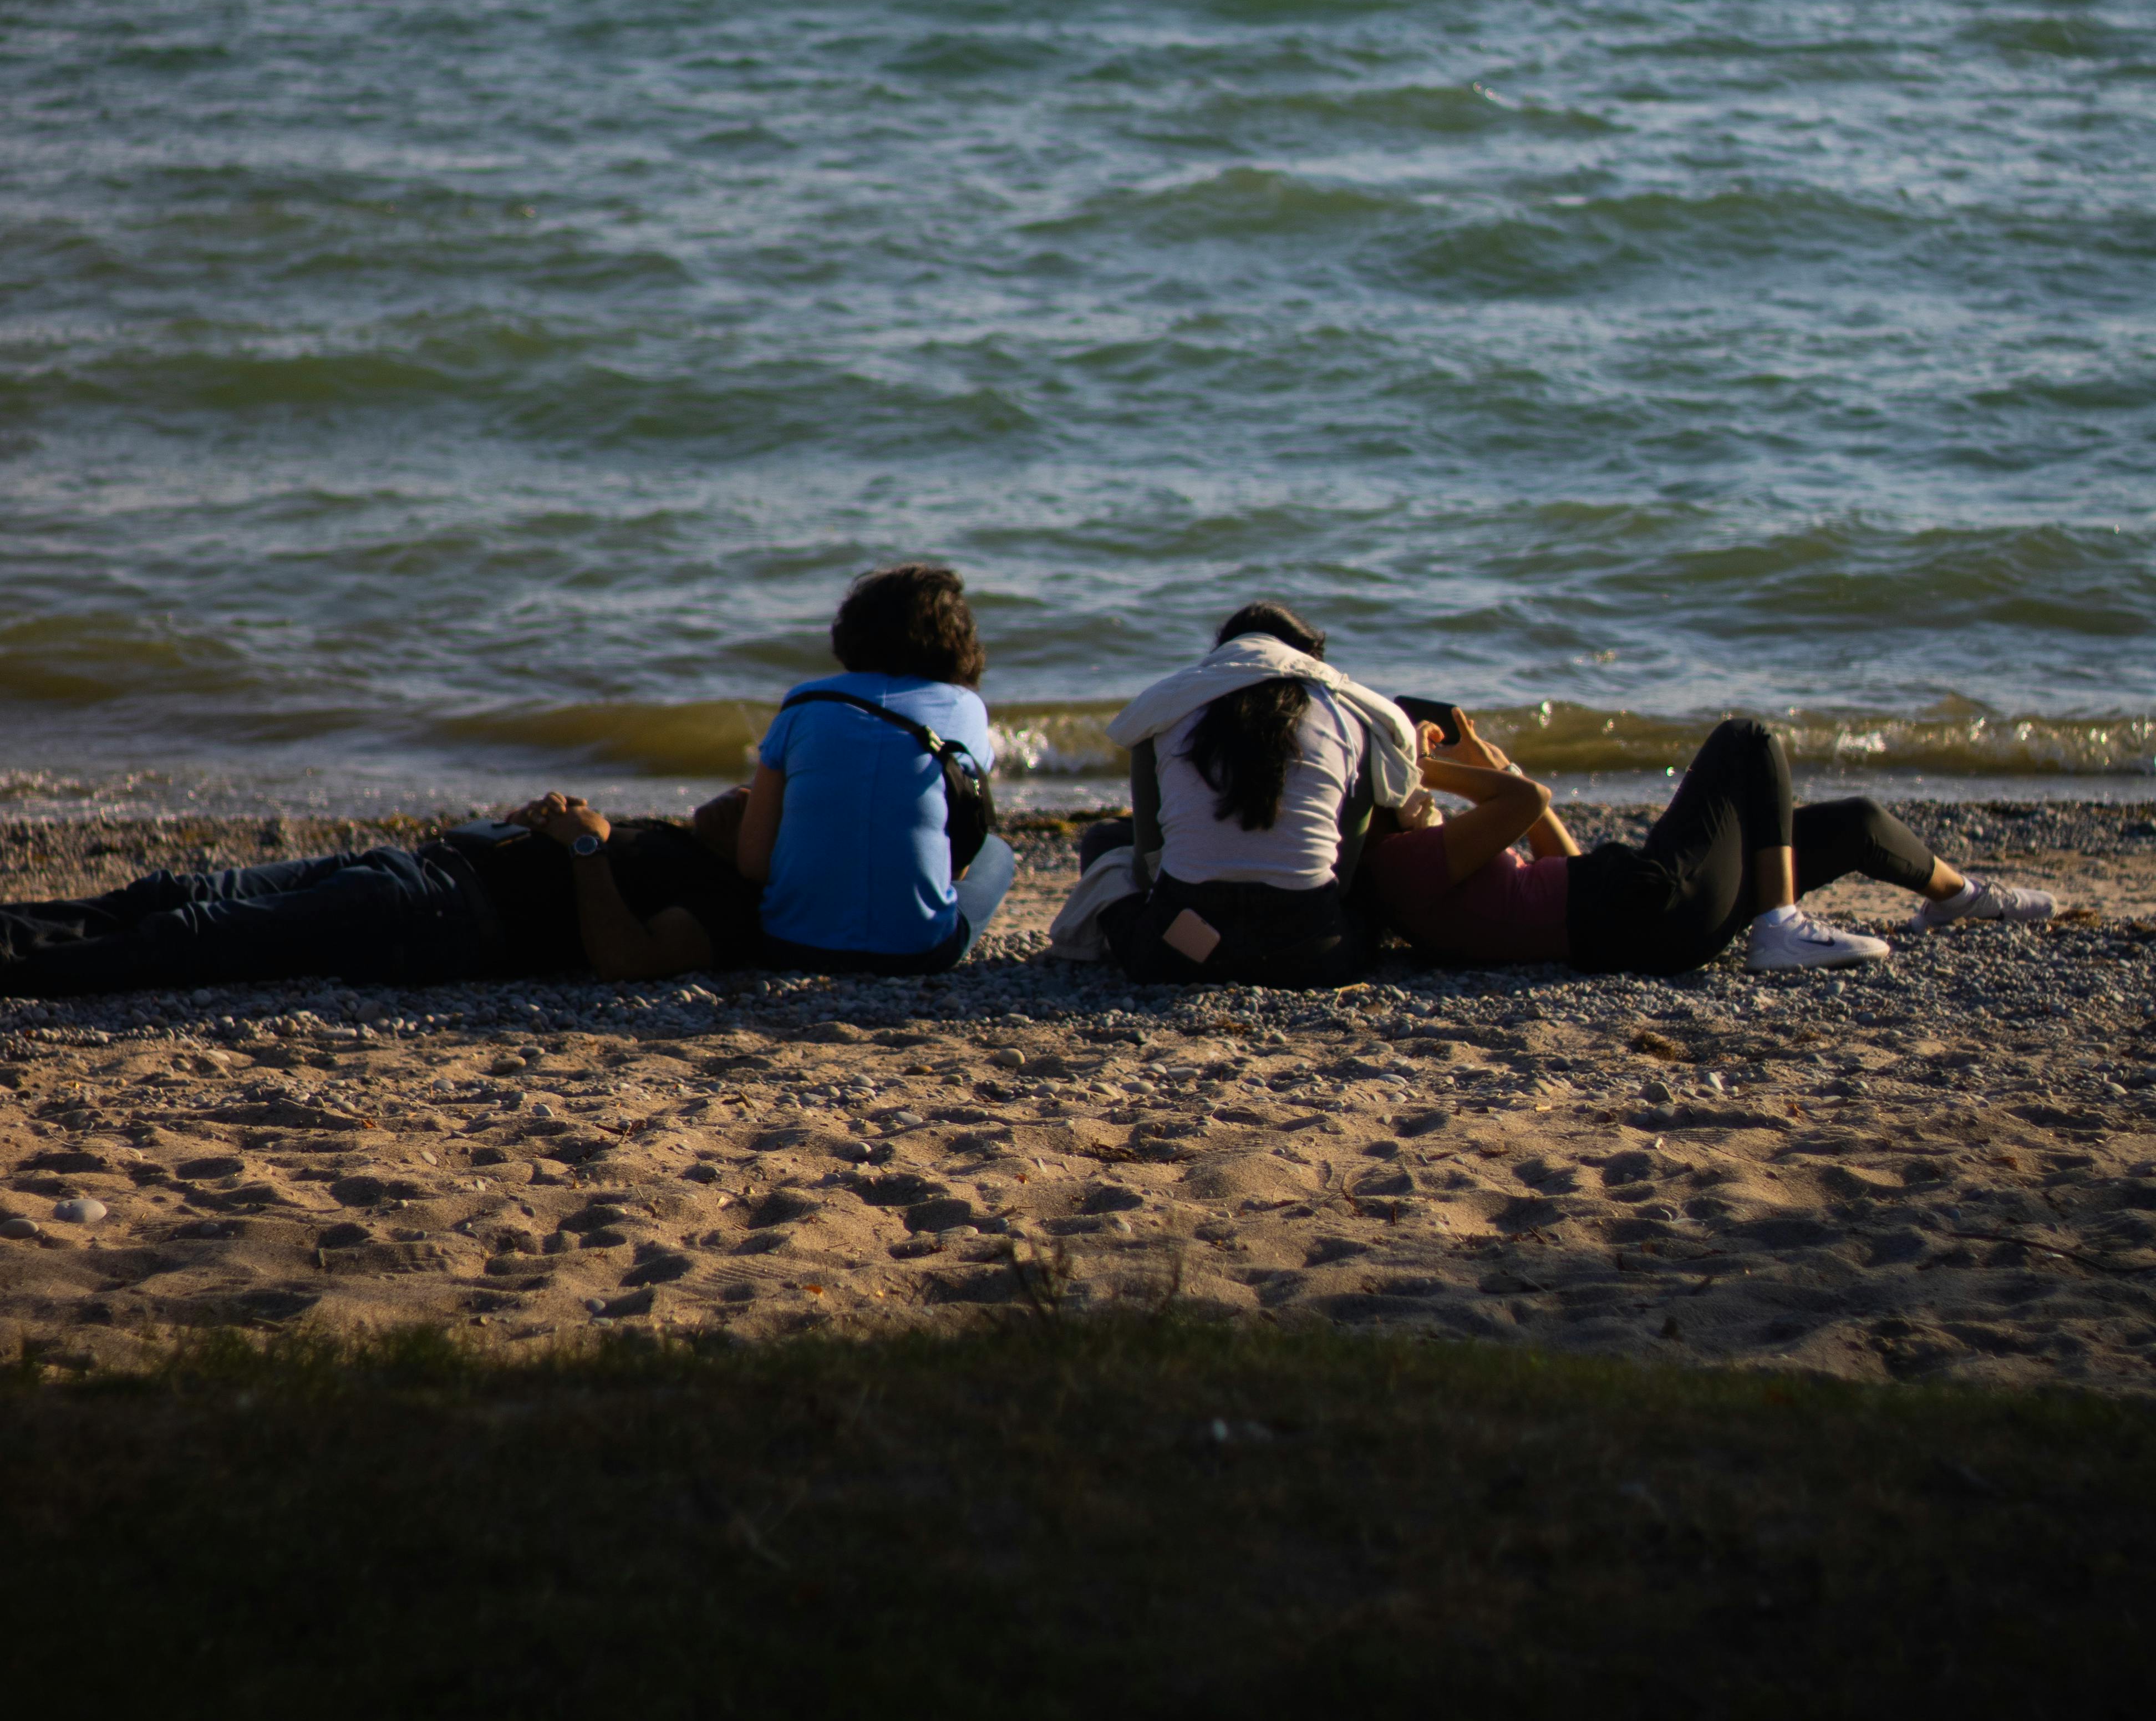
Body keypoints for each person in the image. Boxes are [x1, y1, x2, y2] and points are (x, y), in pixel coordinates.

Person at [1364, 709, 2053, 976]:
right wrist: (1434, 766)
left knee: (1855, 823)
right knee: (1745, 740)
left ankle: (1961, 899)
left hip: (1645, 917)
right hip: (1649, 904)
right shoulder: (1402, 863)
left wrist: (1495, 768)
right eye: (1406, 779)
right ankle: (1781, 927)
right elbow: (1528, 804)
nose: (1423, 792)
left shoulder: (1434, 856)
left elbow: (1560, 862)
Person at [0, 788, 762, 1001]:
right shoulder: (688, 843)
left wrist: (589, 847)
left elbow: (628, 962)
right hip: (415, 864)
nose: (739, 794)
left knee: (192, 933)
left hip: (438, 914)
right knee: (172, 889)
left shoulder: (725, 903)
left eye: (760, 806)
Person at [1052, 602, 1422, 988]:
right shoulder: (1352, 717)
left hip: (1180, 955)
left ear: (1223, 652)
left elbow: (1148, 871)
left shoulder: (1165, 710)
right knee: (1372, 864)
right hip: (1311, 957)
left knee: (1105, 840)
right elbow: (1341, 878)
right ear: (1311, 658)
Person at [709, 562, 1015, 976]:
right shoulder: (964, 709)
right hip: (919, 952)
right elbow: (960, 858)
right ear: (957, 640)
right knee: (997, 853)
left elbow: (754, 863)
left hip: (791, 945)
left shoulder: (803, 704)